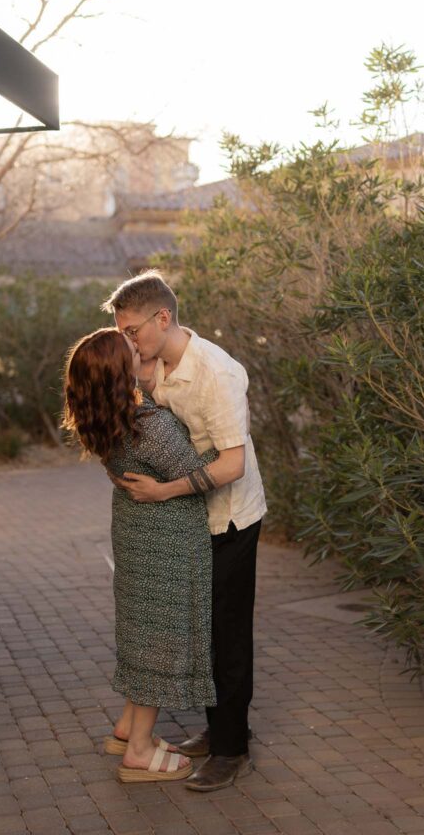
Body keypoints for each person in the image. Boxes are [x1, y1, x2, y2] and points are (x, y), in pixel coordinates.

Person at [102, 270, 267, 792]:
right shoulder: (154, 365)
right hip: (194, 520)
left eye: (131, 331)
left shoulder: (216, 371)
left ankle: (231, 749)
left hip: (230, 517)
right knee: (202, 628)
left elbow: (232, 465)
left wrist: (161, 492)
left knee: (228, 634)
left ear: (162, 317)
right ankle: (217, 730)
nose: (127, 341)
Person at [63, 326, 224, 783]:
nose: (138, 346)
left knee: (141, 630)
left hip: (135, 534)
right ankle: (137, 751)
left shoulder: (109, 419)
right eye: (129, 347)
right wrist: (220, 436)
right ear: (120, 371)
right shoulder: (147, 425)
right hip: (165, 540)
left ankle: (128, 728)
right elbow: (199, 471)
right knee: (159, 637)